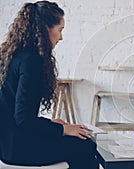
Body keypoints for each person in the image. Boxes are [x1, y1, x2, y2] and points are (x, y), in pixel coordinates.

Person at [0, 1, 99, 168]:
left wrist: (52, 124)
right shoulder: (32, 60)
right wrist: (63, 130)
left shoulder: (11, 54)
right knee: (86, 146)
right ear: (45, 29)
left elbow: (18, 115)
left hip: (6, 144)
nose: (61, 37)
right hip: (17, 148)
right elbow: (23, 121)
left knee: (80, 143)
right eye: (60, 30)